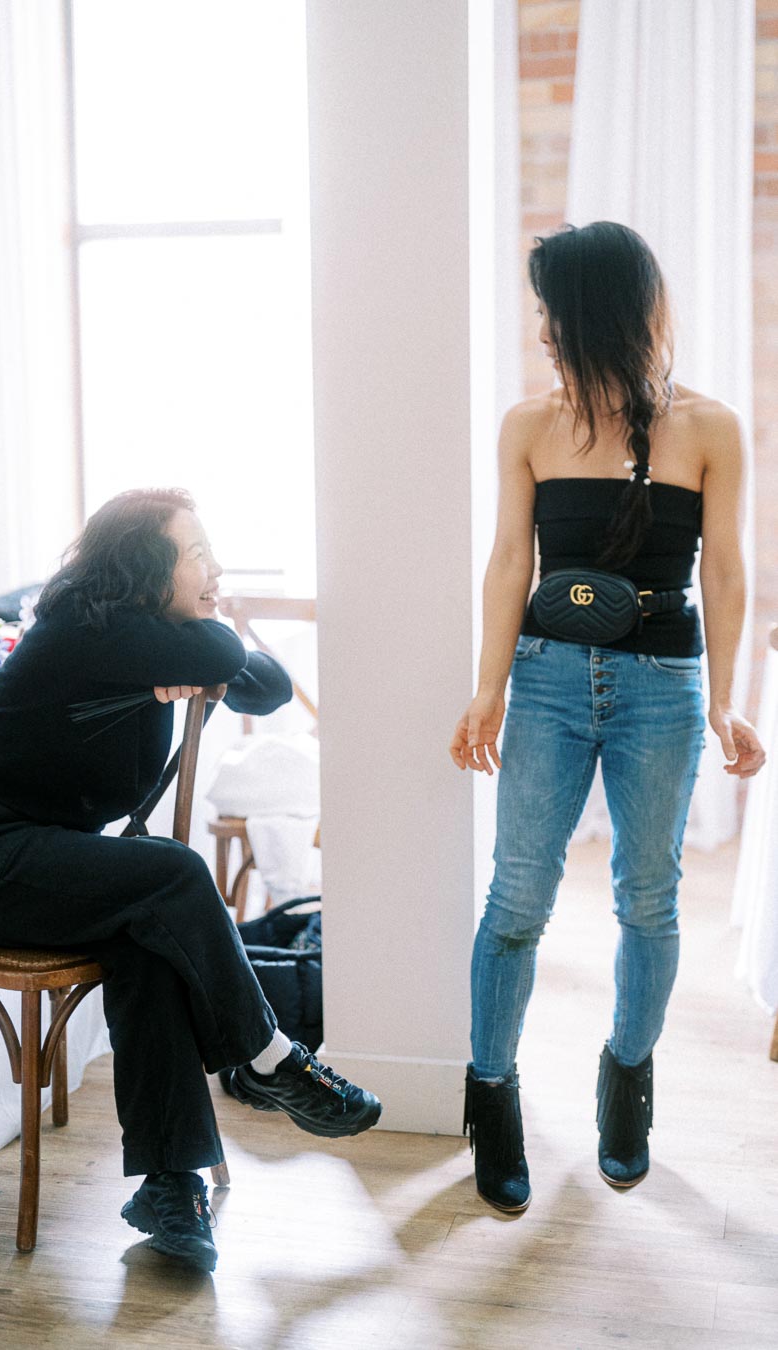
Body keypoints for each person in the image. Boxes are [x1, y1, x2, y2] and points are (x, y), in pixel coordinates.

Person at [0, 487, 381, 1272]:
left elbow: (263, 684)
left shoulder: (154, 638)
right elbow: (226, 658)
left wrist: (196, 652)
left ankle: (170, 1189)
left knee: (148, 945)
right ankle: (267, 1058)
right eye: (196, 555)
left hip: (42, 856)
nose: (214, 569)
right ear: (145, 569)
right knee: (175, 872)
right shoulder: (87, 628)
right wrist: (199, 654)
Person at [449, 221, 766, 1214]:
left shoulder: (710, 428)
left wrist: (727, 702)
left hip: (661, 688)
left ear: (597, 316)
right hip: (545, 681)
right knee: (517, 900)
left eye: (552, 311)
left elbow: (726, 570)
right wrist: (488, 687)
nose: (542, 330)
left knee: (649, 899)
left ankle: (627, 1083)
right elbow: (512, 562)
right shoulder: (527, 426)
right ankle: (492, 1098)